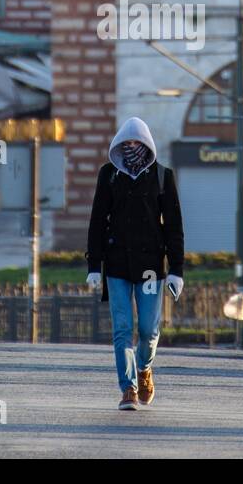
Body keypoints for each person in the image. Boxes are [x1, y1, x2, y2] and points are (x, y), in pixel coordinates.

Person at [85, 117, 184, 411]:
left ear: (146, 145)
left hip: (151, 266)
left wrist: (177, 270)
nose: (130, 148)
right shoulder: (108, 175)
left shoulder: (163, 177)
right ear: (118, 146)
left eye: (136, 144)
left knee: (150, 329)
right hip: (116, 265)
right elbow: (97, 221)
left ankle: (144, 369)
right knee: (122, 329)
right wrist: (94, 264)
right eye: (125, 144)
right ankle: (127, 388)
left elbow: (174, 227)